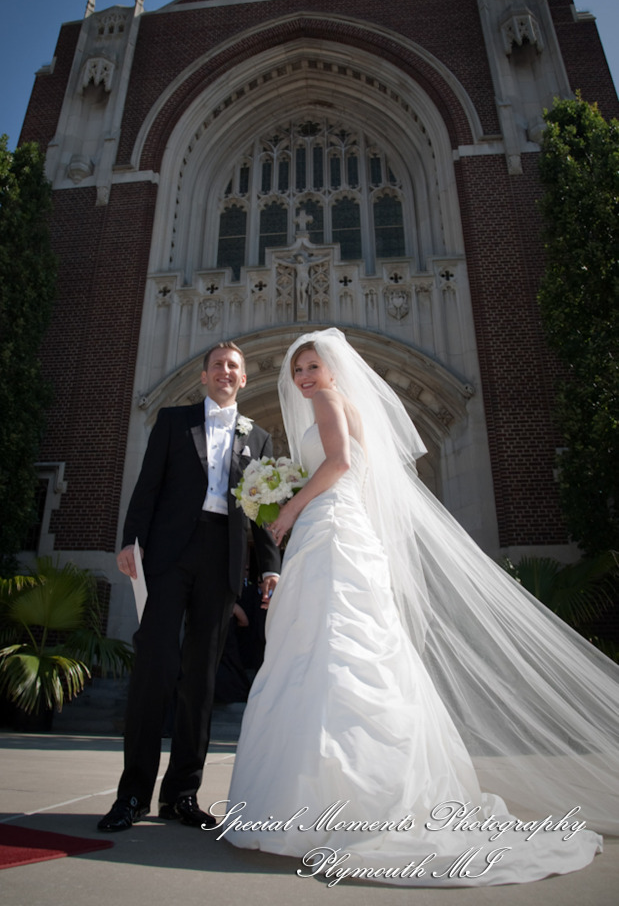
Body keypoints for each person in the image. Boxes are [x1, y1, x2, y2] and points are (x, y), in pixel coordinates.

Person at [217, 328, 619, 886]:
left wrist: (287, 510)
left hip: (332, 528)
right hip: (327, 528)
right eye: (297, 370)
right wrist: (287, 497)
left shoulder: (331, 402)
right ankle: (326, 800)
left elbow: (335, 465)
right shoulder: (332, 404)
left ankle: (341, 803)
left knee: (335, 644)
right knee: (323, 646)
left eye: (312, 366)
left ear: (333, 369)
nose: (304, 377)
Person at [98, 341, 281, 832]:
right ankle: (132, 795)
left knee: (200, 681)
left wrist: (269, 567)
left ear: (244, 379)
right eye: (218, 365)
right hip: (168, 555)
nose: (225, 372)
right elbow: (147, 486)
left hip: (222, 562)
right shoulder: (173, 422)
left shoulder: (260, 438)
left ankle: (181, 795)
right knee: (155, 668)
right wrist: (130, 541)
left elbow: (262, 513)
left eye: (234, 367)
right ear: (204, 376)